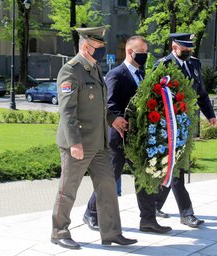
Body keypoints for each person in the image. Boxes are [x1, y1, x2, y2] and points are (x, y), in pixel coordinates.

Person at [51, 26, 137, 250]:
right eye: (98, 47)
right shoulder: (71, 71)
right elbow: (67, 111)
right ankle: (59, 231)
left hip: (99, 143)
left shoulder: (95, 68)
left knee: (108, 186)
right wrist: (74, 142)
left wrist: (113, 119)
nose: (101, 50)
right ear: (86, 46)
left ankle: (112, 233)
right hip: (78, 142)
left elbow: (98, 106)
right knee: (68, 189)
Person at [83, 35, 172, 234]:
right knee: (109, 178)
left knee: (144, 176)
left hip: (139, 139)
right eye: (142, 52)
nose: (145, 56)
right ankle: (91, 213)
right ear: (130, 52)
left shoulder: (143, 75)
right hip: (119, 138)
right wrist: (117, 119)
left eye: (147, 52)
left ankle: (148, 220)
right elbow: (109, 105)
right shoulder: (116, 74)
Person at [153, 33, 217, 228]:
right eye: (185, 49)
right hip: (169, 127)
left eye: (190, 49)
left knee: (173, 166)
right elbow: (155, 96)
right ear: (174, 47)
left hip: (187, 124)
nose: (189, 52)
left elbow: (202, 94)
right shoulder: (163, 65)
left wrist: (210, 115)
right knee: (177, 167)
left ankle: (155, 204)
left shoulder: (194, 65)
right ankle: (186, 213)